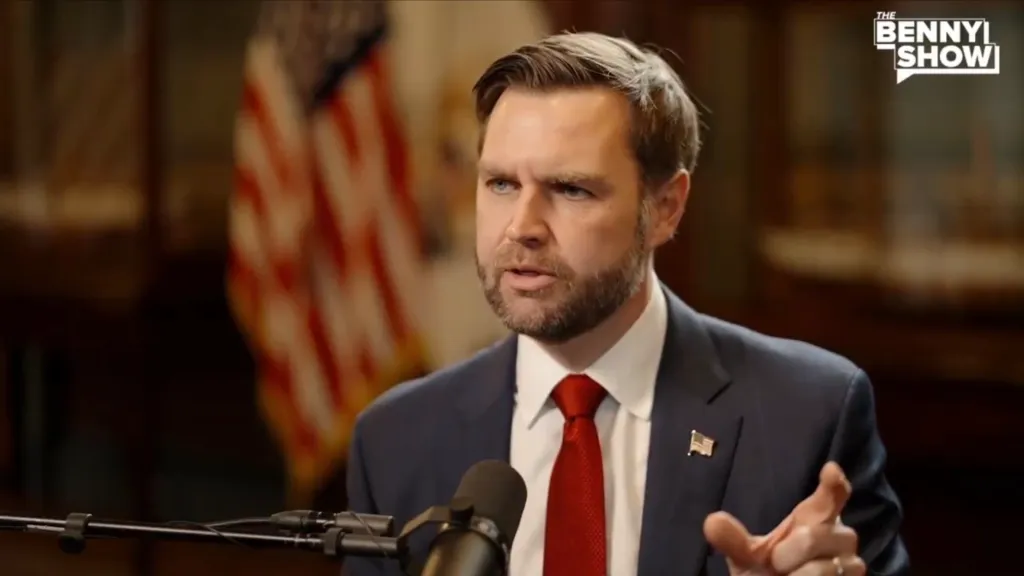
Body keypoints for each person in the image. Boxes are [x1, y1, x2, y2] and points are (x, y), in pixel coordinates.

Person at [343, 32, 909, 576]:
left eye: (571, 189)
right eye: (500, 184)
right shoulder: (396, 440)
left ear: (665, 207)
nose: (521, 227)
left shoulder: (808, 417)